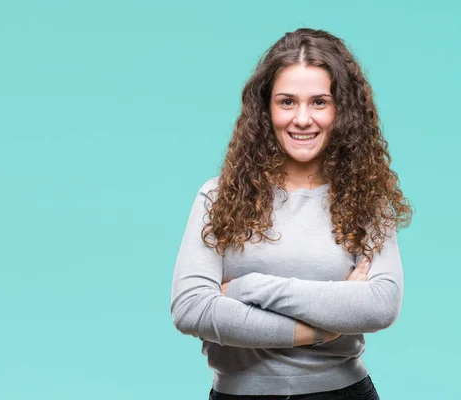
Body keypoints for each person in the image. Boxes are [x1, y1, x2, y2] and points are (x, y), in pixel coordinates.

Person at [170, 28, 413, 400]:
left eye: (319, 102)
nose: (302, 119)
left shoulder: (366, 199)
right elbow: (191, 309)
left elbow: (380, 305)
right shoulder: (218, 196)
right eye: (287, 102)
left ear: (341, 110)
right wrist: (321, 328)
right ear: (266, 109)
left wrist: (248, 288)